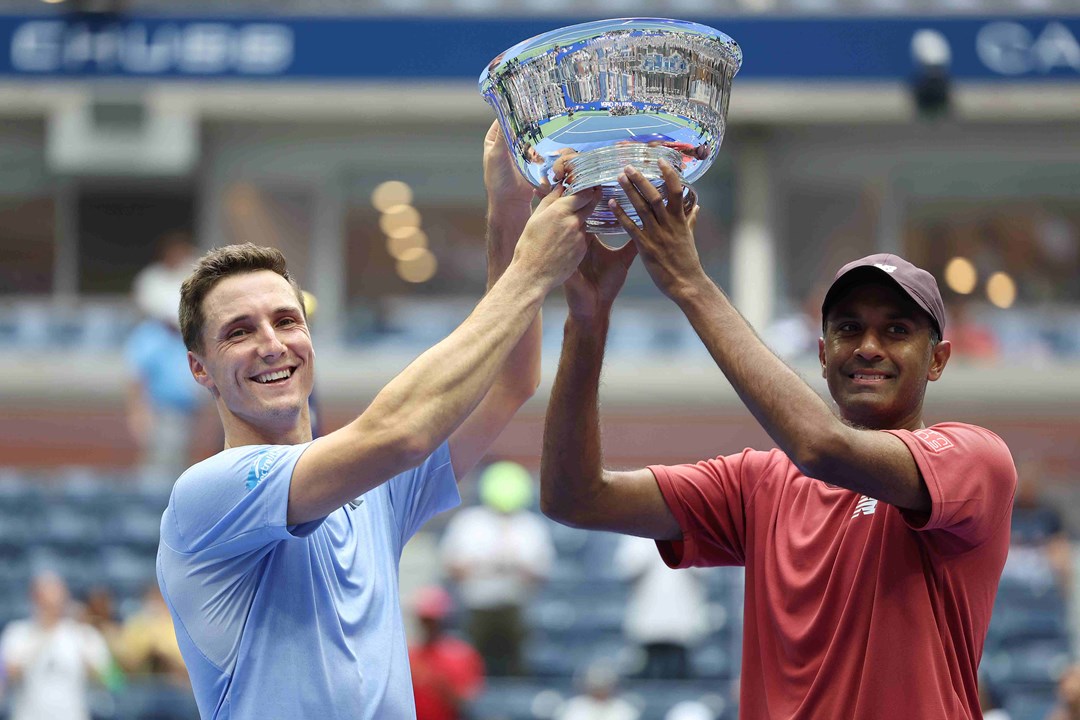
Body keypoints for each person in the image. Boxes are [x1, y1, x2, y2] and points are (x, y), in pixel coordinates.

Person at [539, 160, 1017, 719]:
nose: (867, 346)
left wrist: (691, 285)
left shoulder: (975, 461)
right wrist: (588, 319)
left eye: (896, 330)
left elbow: (821, 447)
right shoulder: (759, 483)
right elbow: (575, 497)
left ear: (937, 360)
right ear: (822, 355)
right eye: (847, 328)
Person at [156, 121, 601, 719]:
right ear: (200, 370)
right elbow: (401, 433)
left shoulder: (371, 489)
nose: (271, 344)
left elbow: (509, 382)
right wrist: (530, 270)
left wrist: (509, 207)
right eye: (239, 332)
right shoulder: (206, 494)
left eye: (287, 321)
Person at [439, 460, 554, 676]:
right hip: (476, 608)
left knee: (516, 671)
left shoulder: (531, 526)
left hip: (515, 609)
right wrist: (486, 564)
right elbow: (450, 566)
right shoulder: (469, 522)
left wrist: (513, 565)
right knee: (471, 671)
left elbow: (541, 572)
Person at [125, 231, 202, 481]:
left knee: (182, 472)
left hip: (187, 412)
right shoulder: (149, 336)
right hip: (160, 412)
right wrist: (139, 414)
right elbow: (137, 378)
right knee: (157, 473)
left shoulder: (190, 337)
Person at [0, 571, 111, 720]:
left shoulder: (84, 635)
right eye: (45, 599)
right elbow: (4, 678)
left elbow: (113, 680)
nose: (51, 605)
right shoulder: (16, 634)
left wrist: (92, 665)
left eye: (57, 598)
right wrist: (41, 638)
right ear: (34, 598)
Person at [615, 534, 707, 680]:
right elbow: (628, 566)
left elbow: (705, 567)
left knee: (680, 673)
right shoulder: (638, 533)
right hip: (648, 614)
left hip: (683, 614)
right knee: (650, 671)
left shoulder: (690, 532)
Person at [407, 586, 484, 720]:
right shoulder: (409, 655)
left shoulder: (462, 654)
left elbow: (467, 702)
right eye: (425, 620)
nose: (428, 625)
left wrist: (436, 681)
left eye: (433, 620)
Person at [556, 661, 640, 720]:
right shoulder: (572, 707)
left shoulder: (624, 709)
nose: (600, 690)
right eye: (596, 685)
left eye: (604, 684)